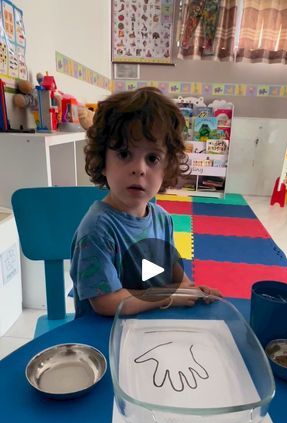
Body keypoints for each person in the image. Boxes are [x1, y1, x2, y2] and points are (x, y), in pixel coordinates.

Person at [70, 87, 221, 317]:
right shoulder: (97, 230)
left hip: (153, 326)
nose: (139, 169)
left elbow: (170, 272)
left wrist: (190, 290)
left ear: (167, 167)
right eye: (123, 153)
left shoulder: (162, 219)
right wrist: (168, 296)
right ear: (103, 160)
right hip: (104, 334)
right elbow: (106, 302)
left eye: (152, 158)